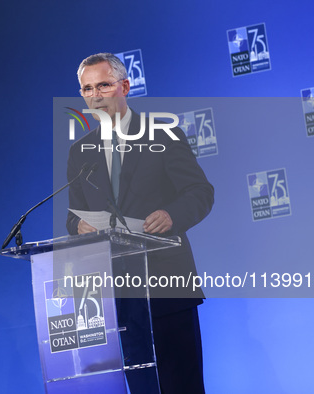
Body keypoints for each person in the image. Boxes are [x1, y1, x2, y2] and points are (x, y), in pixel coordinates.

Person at [66, 53, 214, 393]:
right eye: (87, 89)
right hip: (115, 294)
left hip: (166, 284)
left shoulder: (163, 134)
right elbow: (73, 214)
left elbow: (199, 192)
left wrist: (172, 215)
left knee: (181, 385)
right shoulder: (80, 152)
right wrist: (78, 227)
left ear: (125, 86)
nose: (96, 95)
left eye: (103, 84)